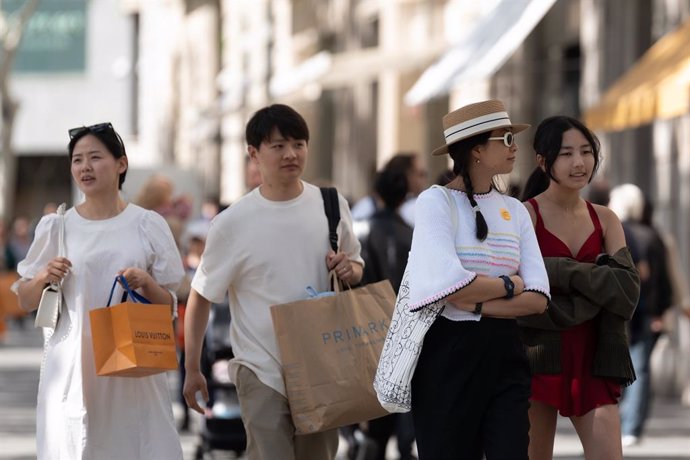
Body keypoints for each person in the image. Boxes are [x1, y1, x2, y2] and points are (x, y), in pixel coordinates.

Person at [183, 104, 364, 460]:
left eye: (298, 143)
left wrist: (348, 268)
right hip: (261, 368)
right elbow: (201, 296)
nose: (291, 154)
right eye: (278, 146)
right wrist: (192, 368)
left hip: (323, 363)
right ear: (254, 153)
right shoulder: (232, 223)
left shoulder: (330, 204)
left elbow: (357, 267)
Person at [14, 122, 185, 459]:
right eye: (77, 160)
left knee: (135, 443)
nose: (85, 167)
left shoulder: (147, 224)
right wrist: (44, 277)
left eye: (95, 157)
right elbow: (23, 299)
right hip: (73, 363)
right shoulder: (58, 226)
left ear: (121, 164)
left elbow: (169, 307)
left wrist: (146, 283)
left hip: (131, 364)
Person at [407, 100, 550, 460]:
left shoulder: (515, 209)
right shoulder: (435, 202)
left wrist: (478, 302)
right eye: (504, 138)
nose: (515, 145)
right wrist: (509, 284)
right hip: (447, 355)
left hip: (506, 351)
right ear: (476, 151)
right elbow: (450, 285)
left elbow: (538, 296)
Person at [520, 116, 640, 460]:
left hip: (595, 352)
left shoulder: (605, 218)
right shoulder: (525, 216)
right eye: (567, 153)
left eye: (587, 152)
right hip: (538, 352)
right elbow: (523, 286)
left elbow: (627, 291)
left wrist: (556, 271)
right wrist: (593, 279)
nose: (579, 162)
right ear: (543, 161)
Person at [357, 163, 416, 460]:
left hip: (368, 332)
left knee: (375, 419)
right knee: (404, 409)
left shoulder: (363, 231)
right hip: (407, 332)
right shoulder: (412, 232)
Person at [609, 184, 673, 447]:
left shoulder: (616, 232)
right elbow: (660, 280)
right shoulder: (651, 234)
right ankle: (631, 426)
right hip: (644, 312)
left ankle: (625, 423)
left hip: (621, 312)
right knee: (639, 369)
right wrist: (660, 310)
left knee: (621, 368)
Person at [351, 153, 427, 227]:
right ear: (406, 175)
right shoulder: (366, 208)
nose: (424, 180)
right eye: (420, 174)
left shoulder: (416, 206)